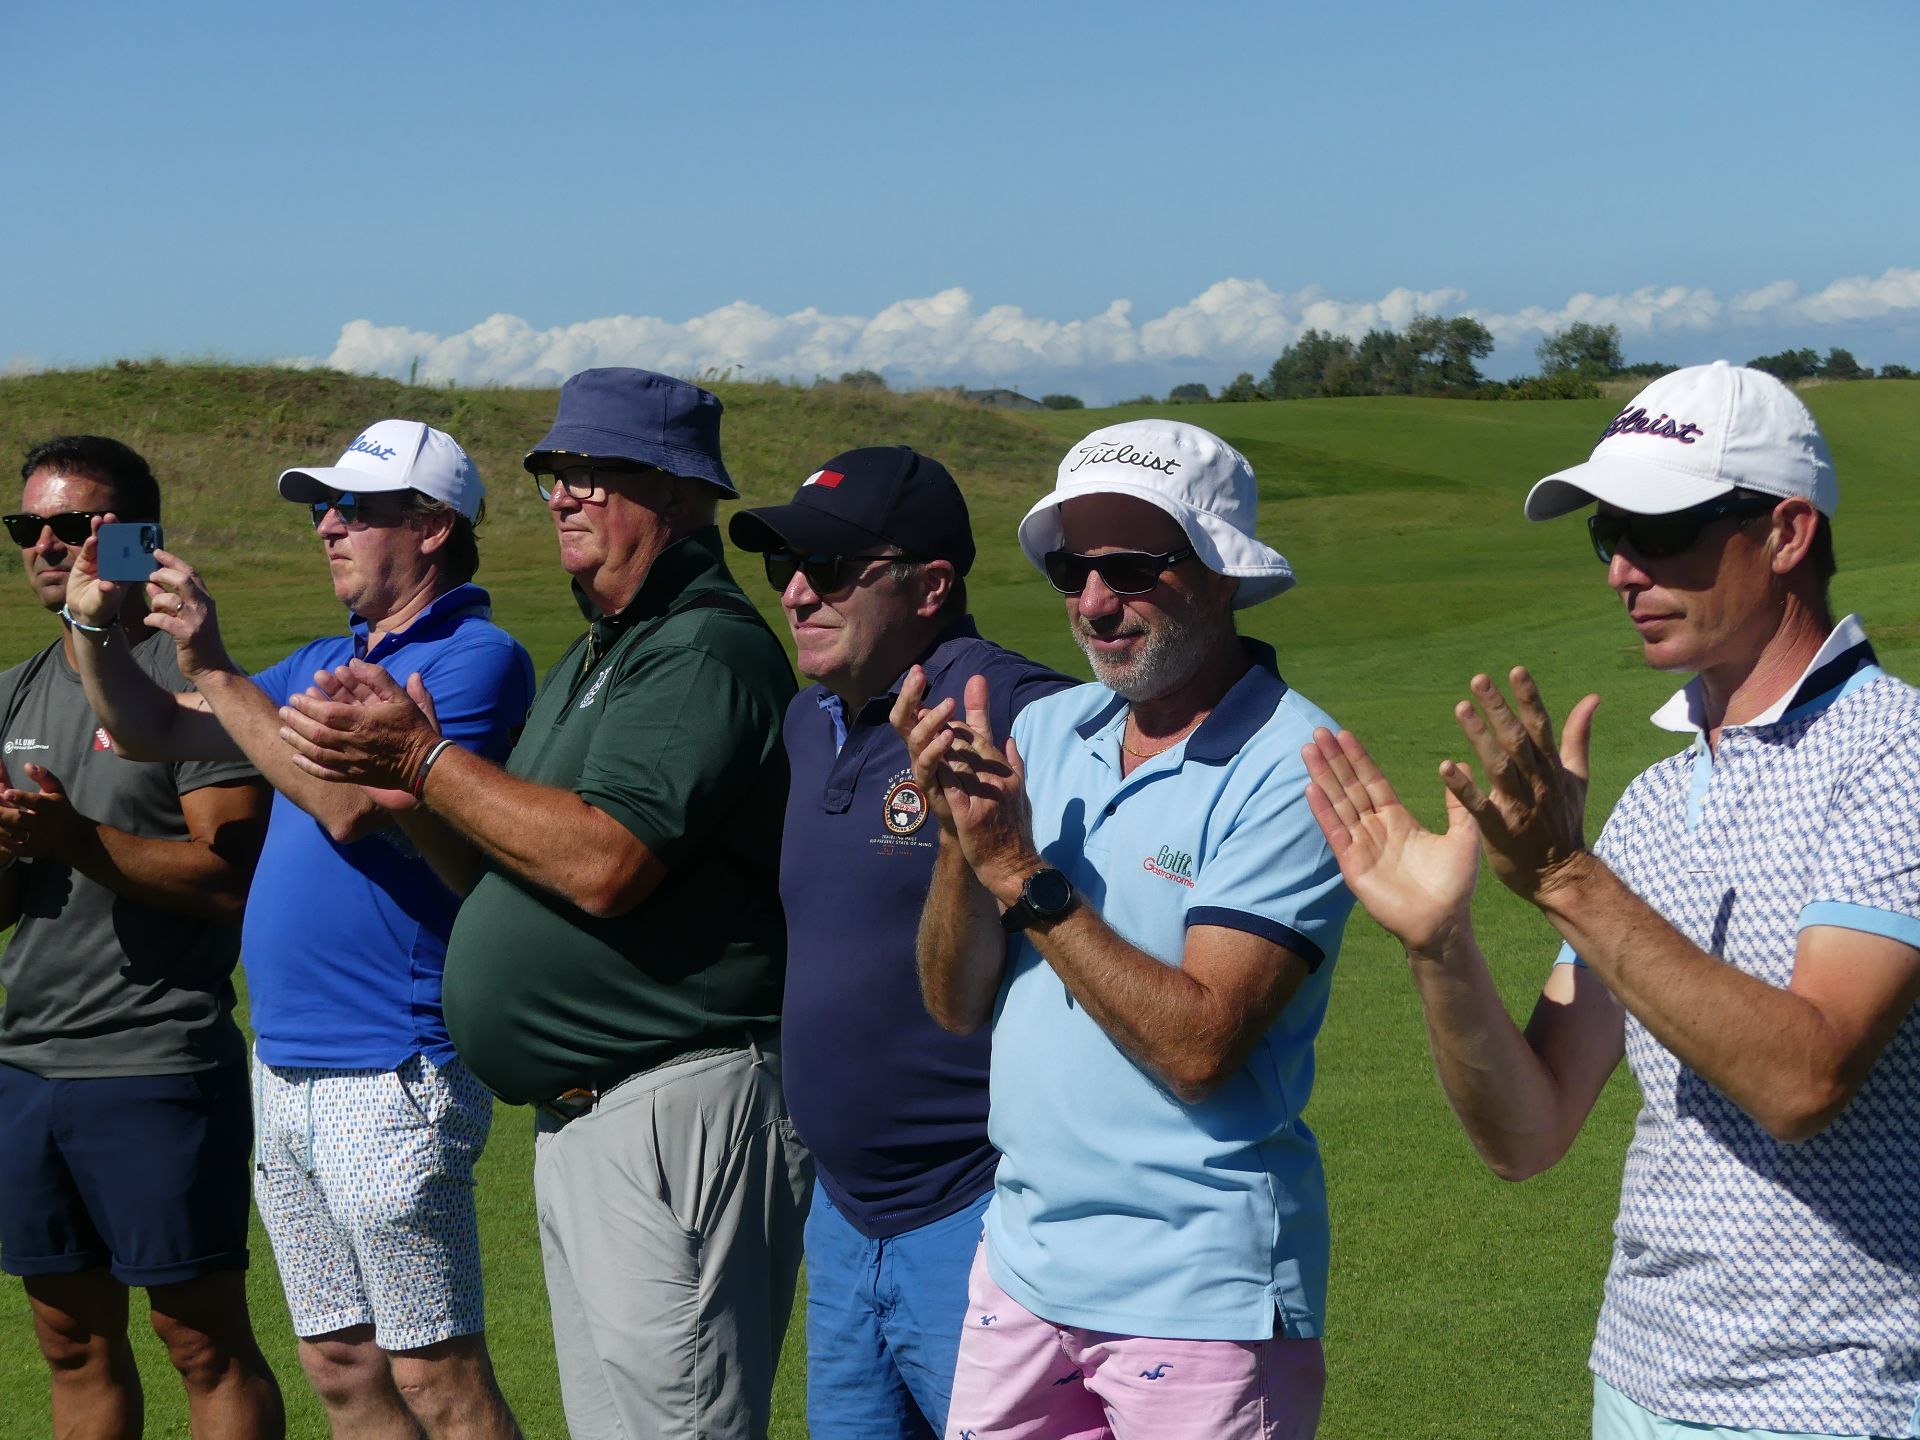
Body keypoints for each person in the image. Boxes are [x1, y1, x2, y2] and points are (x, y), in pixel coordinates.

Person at [1301, 361, 1920, 1439]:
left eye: (1662, 531)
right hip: (1638, 1378)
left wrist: (1564, 879)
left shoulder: (1894, 754)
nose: (1623, 571)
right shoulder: (1653, 798)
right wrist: (1439, 944)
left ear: (1787, 533)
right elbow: (1528, 1130)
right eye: (1609, 535)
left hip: (1833, 1397)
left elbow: (1804, 1078)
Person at [276, 367, 811, 1440]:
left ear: (678, 490)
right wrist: (420, 793)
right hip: (588, 1116)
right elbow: (506, 871)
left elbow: (607, 862)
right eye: (553, 474)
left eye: (593, 473)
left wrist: (424, 759)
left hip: (674, 1103)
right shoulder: (602, 650)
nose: (563, 494)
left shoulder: (702, 647)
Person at [64, 421, 533, 1439]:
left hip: (393, 1063)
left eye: (353, 508)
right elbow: (152, 729)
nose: (326, 526)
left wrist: (213, 663)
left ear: (434, 527)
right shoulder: (328, 660)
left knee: (435, 1376)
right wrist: (92, 627)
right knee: (340, 1368)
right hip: (285, 1066)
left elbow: (348, 805)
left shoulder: (476, 657)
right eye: (323, 506)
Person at [893, 420, 1355, 1440]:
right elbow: (956, 1004)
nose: (1094, 603)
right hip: (1022, 1267)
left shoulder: (1296, 765)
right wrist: (959, 843)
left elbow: (1200, 1047)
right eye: (1074, 570)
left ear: (1223, 573)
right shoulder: (1047, 729)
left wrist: (1019, 871)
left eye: (1134, 570)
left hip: (1197, 1294)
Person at [728, 446, 1072, 1440]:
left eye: (831, 569)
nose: (796, 592)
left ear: (931, 587)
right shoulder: (810, 720)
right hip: (843, 1219)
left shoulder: (1018, 711)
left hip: (978, 1213)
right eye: (785, 566)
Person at [0, 435, 282, 1438]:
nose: (45, 545)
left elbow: (228, 879)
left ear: (136, 538)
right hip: (27, 1061)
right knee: (68, 1342)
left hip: (156, 1060)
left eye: (72, 525)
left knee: (200, 1342)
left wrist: (74, 838)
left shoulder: (191, 686)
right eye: (26, 526)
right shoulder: (13, 690)